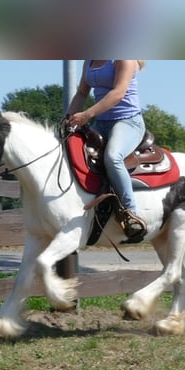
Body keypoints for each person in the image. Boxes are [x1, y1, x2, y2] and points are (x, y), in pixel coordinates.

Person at [65, 59, 147, 240]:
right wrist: (68, 117)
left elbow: (118, 93)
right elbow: (81, 92)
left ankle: (130, 213)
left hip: (128, 121)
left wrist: (86, 115)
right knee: (70, 149)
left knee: (112, 157)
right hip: (101, 123)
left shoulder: (124, 59)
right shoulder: (90, 60)